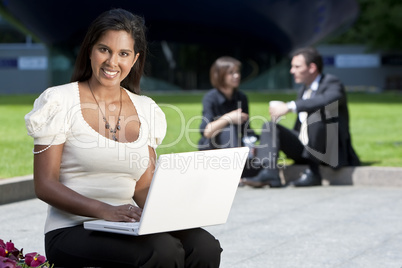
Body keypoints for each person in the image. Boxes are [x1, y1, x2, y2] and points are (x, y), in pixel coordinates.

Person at [25, 8, 221, 267]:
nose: (112, 62)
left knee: (205, 246)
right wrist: (106, 210)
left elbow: (142, 187)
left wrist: (177, 210)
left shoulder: (146, 108)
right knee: (161, 250)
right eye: (104, 49)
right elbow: (45, 185)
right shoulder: (59, 100)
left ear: (135, 59)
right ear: (89, 50)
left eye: (123, 54)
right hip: (71, 229)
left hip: (127, 224)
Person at [242, 47, 360, 188]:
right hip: (304, 148)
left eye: (297, 66)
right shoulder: (304, 90)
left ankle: (313, 173)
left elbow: (326, 101)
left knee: (316, 114)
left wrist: (290, 106)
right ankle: (270, 173)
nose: (292, 71)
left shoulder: (332, 83)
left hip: (329, 151)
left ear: (312, 68)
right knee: (269, 126)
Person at [198, 56, 259, 178]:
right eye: (231, 73)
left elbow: (246, 129)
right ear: (219, 75)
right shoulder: (211, 98)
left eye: (237, 72)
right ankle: (233, 175)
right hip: (213, 147)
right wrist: (229, 118)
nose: (236, 76)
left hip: (236, 146)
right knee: (229, 130)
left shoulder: (241, 97)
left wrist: (253, 142)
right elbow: (207, 132)